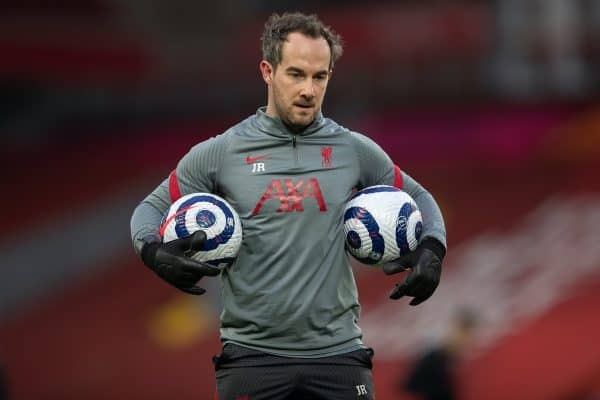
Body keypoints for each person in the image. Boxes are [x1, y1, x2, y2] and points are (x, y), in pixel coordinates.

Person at [130, 11, 447, 400]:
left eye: (320, 76)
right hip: (252, 360)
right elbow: (149, 208)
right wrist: (152, 251)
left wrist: (432, 249)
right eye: (296, 74)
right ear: (267, 70)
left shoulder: (353, 150)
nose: (309, 90)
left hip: (339, 357)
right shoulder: (222, 152)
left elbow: (421, 198)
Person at [402, 309, 478, 400]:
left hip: (434, 368)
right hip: (434, 366)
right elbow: (447, 354)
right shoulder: (453, 334)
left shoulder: (454, 334)